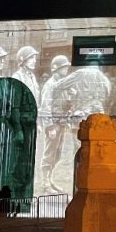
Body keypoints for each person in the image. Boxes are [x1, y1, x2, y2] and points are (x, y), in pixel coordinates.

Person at [38, 55, 77, 194]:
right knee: (49, 154)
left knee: (58, 154)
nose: (67, 69)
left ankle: (50, 179)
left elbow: (67, 101)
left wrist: (71, 96)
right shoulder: (50, 85)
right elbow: (45, 106)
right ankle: (45, 182)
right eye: (64, 67)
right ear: (57, 68)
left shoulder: (62, 83)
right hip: (53, 124)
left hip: (61, 123)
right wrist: (50, 127)